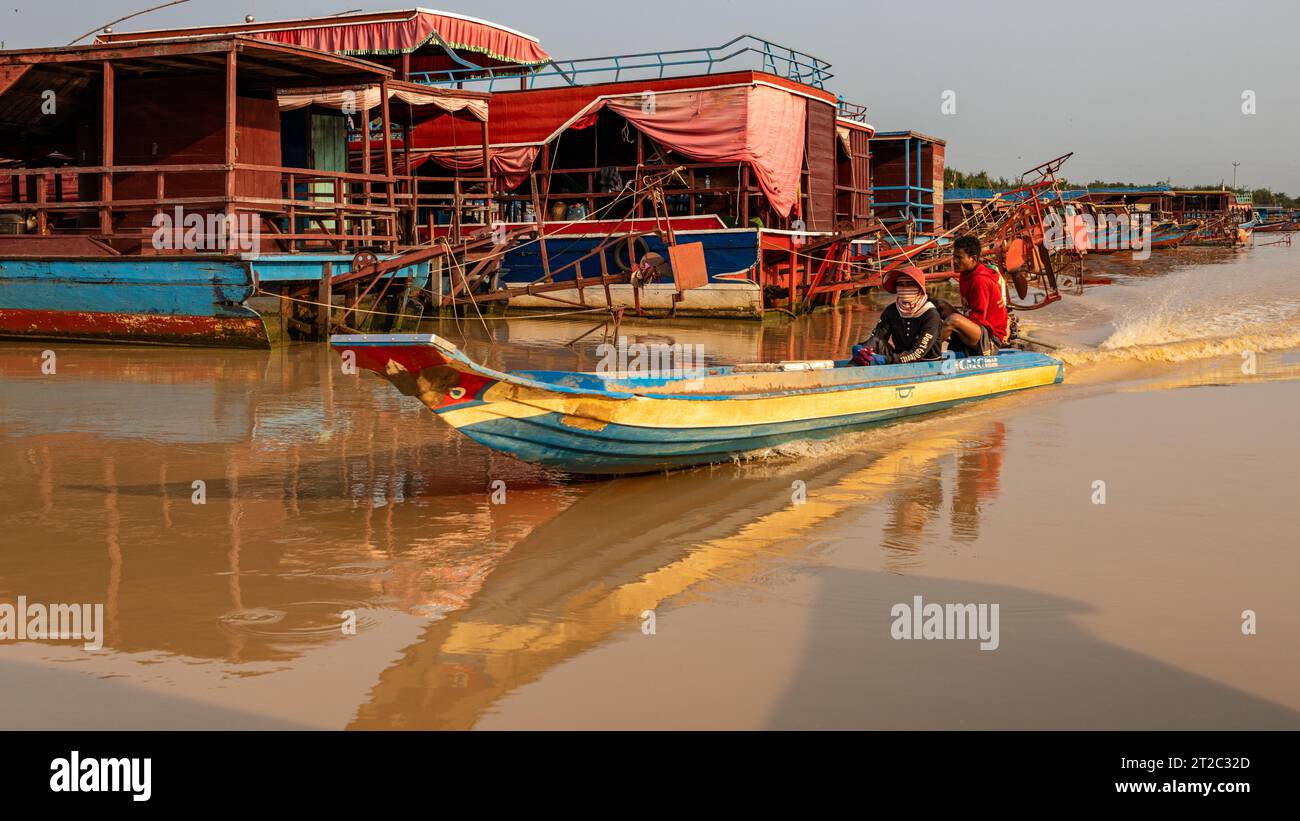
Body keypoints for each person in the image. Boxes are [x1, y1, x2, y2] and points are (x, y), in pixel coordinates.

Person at [852, 266, 943, 366]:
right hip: (899, 361)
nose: (904, 288)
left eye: (909, 284)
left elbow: (917, 354)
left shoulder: (930, 315)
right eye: (900, 284)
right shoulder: (892, 311)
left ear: (919, 288)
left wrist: (883, 360)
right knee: (872, 345)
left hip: (926, 363)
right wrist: (862, 349)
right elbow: (877, 338)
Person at [938, 235, 1009, 356]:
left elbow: (978, 320)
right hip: (977, 330)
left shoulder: (979, 281)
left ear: (974, 259)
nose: (954, 261)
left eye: (959, 258)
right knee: (940, 304)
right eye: (954, 256)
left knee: (953, 320)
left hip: (990, 340)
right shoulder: (966, 274)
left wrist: (954, 325)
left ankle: (927, 352)